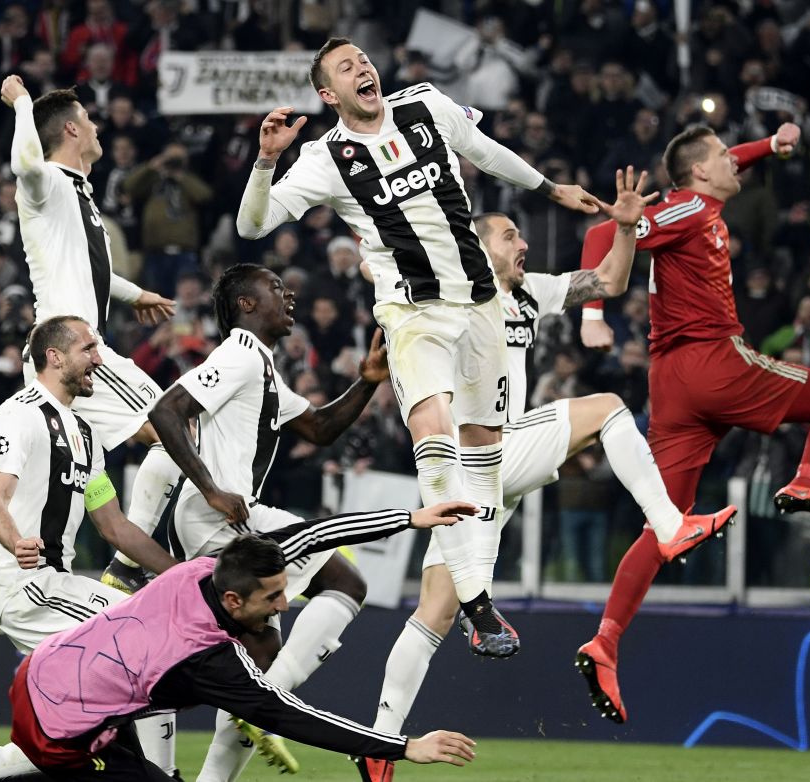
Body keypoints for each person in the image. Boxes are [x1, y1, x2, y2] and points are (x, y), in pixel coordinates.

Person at [353, 170, 736, 782]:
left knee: (436, 612)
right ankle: (381, 741)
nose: (521, 243)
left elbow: (607, 279)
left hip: (499, 459)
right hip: (473, 460)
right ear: (477, 247)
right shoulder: (452, 291)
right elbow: (387, 271)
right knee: (434, 613)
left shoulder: (530, 292)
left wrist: (626, 224)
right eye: (509, 236)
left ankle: (379, 740)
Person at [236, 37, 602, 659]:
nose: (364, 70)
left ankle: (473, 585)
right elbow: (253, 225)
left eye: (364, 61)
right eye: (346, 69)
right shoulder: (325, 159)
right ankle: (477, 600)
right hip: (414, 312)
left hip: (482, 301)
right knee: (433, 433)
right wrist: (267, 162)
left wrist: (550, 189)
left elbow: (483, 151)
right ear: (328, 94)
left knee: (484, 444)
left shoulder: (427, 105)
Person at [574, 123, 810, 724]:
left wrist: (771, 144)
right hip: (714, 361)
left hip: (671, 386)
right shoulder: (687, 205)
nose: (735, 165)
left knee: (666, 527)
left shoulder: (692, 194)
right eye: (723, 158)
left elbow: (719, 163)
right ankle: (805, 480)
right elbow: (604, 230)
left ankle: (605, 641)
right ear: (700, 173)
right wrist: (592, 314)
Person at [0, 76, 182, 700]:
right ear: (70, 130)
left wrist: (133, 292)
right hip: (74, 351)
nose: (97, 126)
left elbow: (86, 266)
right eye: (89, 119)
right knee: (177, 429)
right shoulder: (43, 181)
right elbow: (24, 163)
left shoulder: (78, 194)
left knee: (36, 495)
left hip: (63, 352)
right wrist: (20, 104)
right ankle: (133, 567)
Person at [0, 503, 479, 782]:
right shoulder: (208, 660)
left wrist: (410, 519)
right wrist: (402, 747)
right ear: (235, 605)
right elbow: (293, 717)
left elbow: (316, 533)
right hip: (61, 728)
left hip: (45, 671)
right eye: (272, 599)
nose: (284, 605)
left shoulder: (208, 569)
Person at [148, 263, 390, 780]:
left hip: (227, 517)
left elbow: (320, 427)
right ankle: (268, 705)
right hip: (221, 517)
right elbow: (167, 411)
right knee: (344, 579)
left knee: (258, 656)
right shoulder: (237, 354)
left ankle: (252, 715)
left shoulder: (262, 366)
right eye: (276, 288)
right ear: (247, 304)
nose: (290, 295)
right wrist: (211, 486)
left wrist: (367, 382)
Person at [0, 316, 180, 782]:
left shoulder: (86, 435)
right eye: (89, 349)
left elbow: (114, 527)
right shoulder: (19, 414)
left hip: (56, 585)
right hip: (22, 588)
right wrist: (17, 541)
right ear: (55, 356)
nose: (99, 359)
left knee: (101, 716)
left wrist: (184, 574)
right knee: (148, 642)